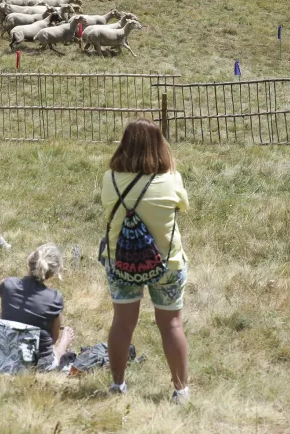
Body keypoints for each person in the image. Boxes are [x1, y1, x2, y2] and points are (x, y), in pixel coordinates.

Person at [102, 120, 190, 403]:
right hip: (167, 264)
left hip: (120, 263)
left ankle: (117, 384)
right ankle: (180, 390)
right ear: (159, 145)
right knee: (172, 325)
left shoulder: (111, 179)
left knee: (122, 323)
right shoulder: (171, 179)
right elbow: (183, 206)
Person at [0, 244, 74, 370]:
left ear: (29, 261)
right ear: (52, 273)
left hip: (3, 353)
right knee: (58, 346)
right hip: (36, 362)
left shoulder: (7, 284)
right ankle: (64, 343)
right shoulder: (54, 298)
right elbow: (53, 339)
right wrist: (62, 340)